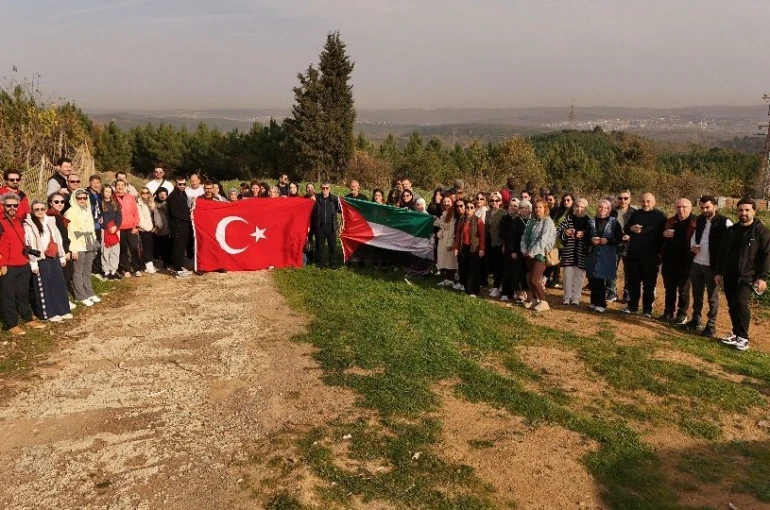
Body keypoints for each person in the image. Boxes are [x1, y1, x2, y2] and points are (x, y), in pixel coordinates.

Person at [715, 198, 770, 352]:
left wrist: (762, 277)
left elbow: (766, 255)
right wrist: (719, 272)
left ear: (754, 211)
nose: (743, 213)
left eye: (747, 210)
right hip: (729, 274)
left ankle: (743, 338)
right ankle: (735, 333)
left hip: (748, 276)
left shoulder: (761, 232)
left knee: (741, 303)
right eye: (740, 210)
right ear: (737, 211)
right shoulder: (731, 230)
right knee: (732, 304)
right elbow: (722, 252)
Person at [0, 193, 46, 335]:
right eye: (9, 205)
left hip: (22, 263)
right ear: (3, 206)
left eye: (15, 205)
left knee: (22, 293)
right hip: (7, 265)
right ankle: (11, 323)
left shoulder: (19, 221)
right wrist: (1, 263)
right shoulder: (0, 222)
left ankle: (27, 318)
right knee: (8, 295)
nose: (12, 208)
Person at [686, 196, 732, 337]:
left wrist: (723, 268)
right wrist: (693, 246)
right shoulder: (699, 220)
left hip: (713, 267)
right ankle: (696, 319)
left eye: (707, 207)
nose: (704, 210)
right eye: (702, 207)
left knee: (712, 297)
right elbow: (694, 236)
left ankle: (711, 325)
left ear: (715, 206)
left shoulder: (726, 222)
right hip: (697, 263)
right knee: (697, 294)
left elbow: (730, 245)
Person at [24, 200, 72, 322]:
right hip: (41, 258)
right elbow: (29, 244)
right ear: (32, 211)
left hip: (54, 255)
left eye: (42, 209)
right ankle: (49, 313)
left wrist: (61, 255)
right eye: (37, 209)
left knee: (58, 283)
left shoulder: (50, 221)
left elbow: (58, 238)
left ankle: (63, 309)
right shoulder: (29, 225)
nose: (40, 211)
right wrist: (33, 262)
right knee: (44, 286)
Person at [623, 193, 667, 317]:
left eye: (648, 201)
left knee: (649, 284)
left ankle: (647, 310)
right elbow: (626, 228)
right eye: (643, 201)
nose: (645, 204)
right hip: (634, 254)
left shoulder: (660, 216)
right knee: (633, 283)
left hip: (651, 256)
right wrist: (632, 228)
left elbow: (664, 236)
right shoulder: (636, 214)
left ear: (654, 202)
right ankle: (633, 307)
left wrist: (660, 254)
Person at [660, 198, 697, 324]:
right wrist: (664, 234)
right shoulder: (671, 221)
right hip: (669, 260)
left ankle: (682, 314)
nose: (681, 210)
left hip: (685, 261)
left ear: (690, 207)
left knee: (683, 290)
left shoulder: (696, 222)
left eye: (684, 207)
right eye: (678, 207)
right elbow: (661, 237)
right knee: (669, 289)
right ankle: (668, 312)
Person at [586, 199, 624, 312]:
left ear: (610, 210)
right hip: (593, 253)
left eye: (606, 208)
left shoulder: (614, 222)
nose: (603, 209)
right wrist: (591, 240)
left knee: (600, 278)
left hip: (607, 255)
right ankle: (593, 302)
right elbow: (585, 237)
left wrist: (608, 241)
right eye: (600, 207)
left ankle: (601, 304)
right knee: (592, 277)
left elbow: (619, 238)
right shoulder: (591, 221)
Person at [64, 189, 100, 307]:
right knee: (78, 271)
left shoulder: (87, 210)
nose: (82, 200)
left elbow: (91, 228)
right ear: (75, 199)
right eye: (79, 198)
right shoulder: (70, 212)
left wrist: (94, 243)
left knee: (87, 270)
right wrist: (73, 249)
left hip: (88, 242)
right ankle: (80, 295)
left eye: (84, 198)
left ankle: (89, 292)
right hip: (78, 244)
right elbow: (70, 232)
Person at [520, 198, 556, 312]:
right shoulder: (532, 221)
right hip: (529, 254)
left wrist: (532, 252)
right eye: (536, 207)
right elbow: (524, 237)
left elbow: (543, 240)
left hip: (540, 254)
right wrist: (524, 249)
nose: (537, 209)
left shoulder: (548, 222)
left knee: (535, 279)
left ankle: (544, 301)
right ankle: (535, 300)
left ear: (545, 209)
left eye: (540, 207)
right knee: (530, 279)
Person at [557, 198, 589, 305]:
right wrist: (566, 232)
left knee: (579, 277)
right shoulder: (568, 218)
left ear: (585, 208)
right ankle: (567, 297)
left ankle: (576, 298)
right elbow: (558, 232)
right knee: (568, 275)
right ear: (574, 207)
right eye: (577, 206)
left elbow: (591, 236)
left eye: (582, 207)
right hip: (569, 252)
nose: (579, 209)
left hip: (581, 253)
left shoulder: (589, 221)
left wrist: (584, 234)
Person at [607, 189, 637, 303]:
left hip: (630, 245)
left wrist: (631, 236)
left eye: (625, 198)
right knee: (611, 268)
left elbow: (638, 228)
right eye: (620, 198)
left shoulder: (635, 213)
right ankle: (611, 292)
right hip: (615, 244)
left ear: (630, 199)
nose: (623, 200)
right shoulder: (612, 212)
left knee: (629, 270)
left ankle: (627, 292)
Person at [47, 193, 75, 308]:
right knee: (62, 276)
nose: (60, 204)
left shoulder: (58, 215)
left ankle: (62, 299)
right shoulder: (53, 216)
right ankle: (60, 301)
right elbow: (60, 237)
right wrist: (66, 251)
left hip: (60, 250)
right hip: (58, 251)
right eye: (56, 202)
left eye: (62, 202)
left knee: (64, 275)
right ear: (50, 203)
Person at [454, 199, 485, 297]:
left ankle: (473, 291)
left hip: (474, 248)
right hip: (464, 247)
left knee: (473, 270)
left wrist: (481, 249)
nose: (469, 209)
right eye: (467, 207)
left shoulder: (478, 220)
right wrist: (456, 248)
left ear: (474, 209)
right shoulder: (462, 220)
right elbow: (458, 235)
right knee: (464, 268)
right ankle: (466, 287)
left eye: (471, 207)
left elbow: (482, 236)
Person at [499, 198, 529, 302]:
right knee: (509, 272)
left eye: (526, 208)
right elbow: (511, 237)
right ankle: (506, 292)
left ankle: (523, 294)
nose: (523, 210)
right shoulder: (515, 221)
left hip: (527, 252)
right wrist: (512, 251)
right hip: (514, 251)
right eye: (521, 208)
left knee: (523, 274)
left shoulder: (532, 221)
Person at [545, 193, 574, 289]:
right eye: (564, 200)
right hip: (555, 239)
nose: (566, 202)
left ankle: (562, 281)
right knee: (554, 259)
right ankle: (553, 279)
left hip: (567, 241)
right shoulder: (559, 211)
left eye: (568, 200)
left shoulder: (573, 212)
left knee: (564, 262)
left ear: (573, 201)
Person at [115, 180, 142, 278]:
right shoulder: (113, 198)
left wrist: (136, 226)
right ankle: (126, 268)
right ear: (115, 187)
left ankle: (137, 268)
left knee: (134, 248)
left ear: (125, 187)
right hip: (119, 228)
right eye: (118, 185)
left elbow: (136, 212)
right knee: (123, 249)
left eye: (122, 185)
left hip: (131, 227)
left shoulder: (130, 197)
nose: (120, 187)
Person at [168, 176, 192, 278]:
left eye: (184, 184)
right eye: (180, 184)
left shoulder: (183, 194)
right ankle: (177, 270)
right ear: (175, 184)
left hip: (185, 225)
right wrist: (189, 217)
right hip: (177, 226)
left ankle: (180, 266)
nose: (182, 186)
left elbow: (185, 208)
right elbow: (175, 213)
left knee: (182, 248)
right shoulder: (172, 197)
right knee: (178, 248)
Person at [313, 183, 340, 269]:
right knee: (320, 246)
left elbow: (341, 210)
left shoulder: (334, 199)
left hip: (331, 227)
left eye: (326, 188)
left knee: (332, 246)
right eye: (323, 188)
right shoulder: (317, 198)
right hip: (320, 226)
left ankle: (333, 264)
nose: (325, 190)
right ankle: (321, 264)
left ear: (330, 189)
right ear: (321, 189)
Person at [485, 192, 506, 298]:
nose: (494, 202)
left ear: (500, 202)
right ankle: (495, 285)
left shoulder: (503, 213)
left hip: (500, 243)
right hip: (490, 243)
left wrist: (504, 244)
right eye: (492, 200)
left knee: (499, 266)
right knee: (493, 265)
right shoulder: (488, 213)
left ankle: (497, 286)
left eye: (497, 200)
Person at [100, 185, 122, 280]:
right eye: (106, 191)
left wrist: (116, 226)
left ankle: (113, 270)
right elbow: (100, 218)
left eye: (109, 192)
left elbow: (119, 216)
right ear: (103, 192)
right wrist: (107, 226)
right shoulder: (100, 203)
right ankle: (106, 270)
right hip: (105, 229)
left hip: (115, 229)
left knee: (115, 250)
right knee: (105, 250)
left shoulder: (115, 203)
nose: (107, 193)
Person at [137, 186, 161, 274]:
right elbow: (139, 218)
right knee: (147, 247)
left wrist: (156, 226)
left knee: (150, 246)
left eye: (147, 193)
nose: (145, 194)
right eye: (143, 192)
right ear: (140, 193)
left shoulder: (151, 203)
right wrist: (147, 228)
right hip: (144, 229)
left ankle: (150, 264)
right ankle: (148, 265)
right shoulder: (138, 204)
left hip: (152, 228)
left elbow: (155, 215)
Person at [435, 196, 458, 287]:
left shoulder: (452, 213)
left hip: (448, 240)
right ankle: (447, 278)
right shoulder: (445, 212)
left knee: (450, 261)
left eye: (448, 201)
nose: (446, 203)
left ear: (452, 202)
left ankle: (450, 279)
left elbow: (451, 228)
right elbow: (443, 225)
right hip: (443, 239)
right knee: (445, 260)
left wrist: (450, 242)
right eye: (444, 202)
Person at [86, 175, 104, 279]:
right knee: (90, 248)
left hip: (97, 225)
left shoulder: (98, 195)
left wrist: (101, 215)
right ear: (89, 183)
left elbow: (99, 208)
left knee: (97, 247)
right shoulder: (86, 194)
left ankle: (96, 269)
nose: (96, 185)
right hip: (89, 226)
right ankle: (91, 270)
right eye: (94, 182)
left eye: (98, 183)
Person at [153, 187, 172, 269]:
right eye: (161, 194)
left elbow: (170, 213)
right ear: (157, 194)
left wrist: (161, 206)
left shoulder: (169, 203)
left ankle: (167, 262)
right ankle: (157, 260)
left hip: (167, 228)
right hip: (156, 228)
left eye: (165, 194)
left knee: (167, 246)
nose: (163, 196)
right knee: (157, 245)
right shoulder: (153, 203)